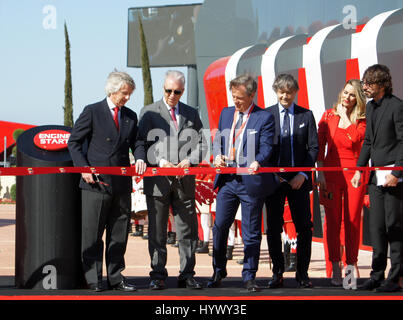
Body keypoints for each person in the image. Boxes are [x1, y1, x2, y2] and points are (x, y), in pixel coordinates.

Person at [68, 70, 146, 292]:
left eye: (130, 94)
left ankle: (116, 278)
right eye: (125, 93)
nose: (128, 98)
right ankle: (93, 279)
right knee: (92, 235)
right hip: (95, 185)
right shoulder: (92, 111)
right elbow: (74, 142)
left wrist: (140, 157)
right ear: (112, 90)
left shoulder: (130, 116)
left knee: (119, 234)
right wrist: (83, 168)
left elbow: (137, 142)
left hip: (121, 185)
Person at [136, 70, 206, 290]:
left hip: (184, 181)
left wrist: (189, 161)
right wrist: (160, 161)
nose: (172, 95)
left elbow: (202, 143)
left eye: (177, 91)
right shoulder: (148, 113)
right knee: (157, 231)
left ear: (182, 91)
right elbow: (141, 144)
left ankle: (187, 274)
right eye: (168, 90)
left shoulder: (191, 113)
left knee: (188, 230)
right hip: (158, 181)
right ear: (163, 88)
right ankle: (157, 275)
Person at [208, 74, 277, 292]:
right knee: (219, 227)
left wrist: (258, 161)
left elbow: (267, 146)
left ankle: (249, 276)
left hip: (250, 182)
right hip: (228, 180)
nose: (235, 101)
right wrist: (217, 155)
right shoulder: (227, 113)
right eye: (233, 96)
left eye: (239, 97)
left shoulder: (263, 117)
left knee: (251, 232)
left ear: (251, 95)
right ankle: (218, 270)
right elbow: (218, 141)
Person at [351, 64, 403, 292]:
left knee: (395, 226)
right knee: (377, 227)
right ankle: (377, 274)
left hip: (394, 178)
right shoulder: (370, 107)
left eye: (368, 84)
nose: (365, 88)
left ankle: (395, 277)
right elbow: (369, 141)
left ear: (381, 85)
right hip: (375, 177)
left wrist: (397, 172)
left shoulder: (397, 107)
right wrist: (358, 169)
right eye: (364, 83)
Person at [265, 73, 318, 289]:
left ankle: (302, 273)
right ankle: (277, 272)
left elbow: (313, 148)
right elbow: (263, 148)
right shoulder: (266, 115)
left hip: (299, 181)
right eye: (281, 91)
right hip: (274, 181)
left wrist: (303, 175)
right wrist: (271, 174)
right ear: (276, 91)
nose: (285, 95)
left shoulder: (306, 115)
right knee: (273, 228)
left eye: (289, 91)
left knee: (304, 227)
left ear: (295, 92)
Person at [316, 79, 367, 286]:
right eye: (345, 93)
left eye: (352, 94)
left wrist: (346, 116)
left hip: (355, 174)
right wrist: (321, 174)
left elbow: (360, 143)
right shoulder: (328, 116)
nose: (347, 97)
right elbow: (320, 147)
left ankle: (351, 265)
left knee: (353, 222)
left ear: (358, 98)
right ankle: (334, 265)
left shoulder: (362, 119)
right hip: (331, 174)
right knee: (332, 222)